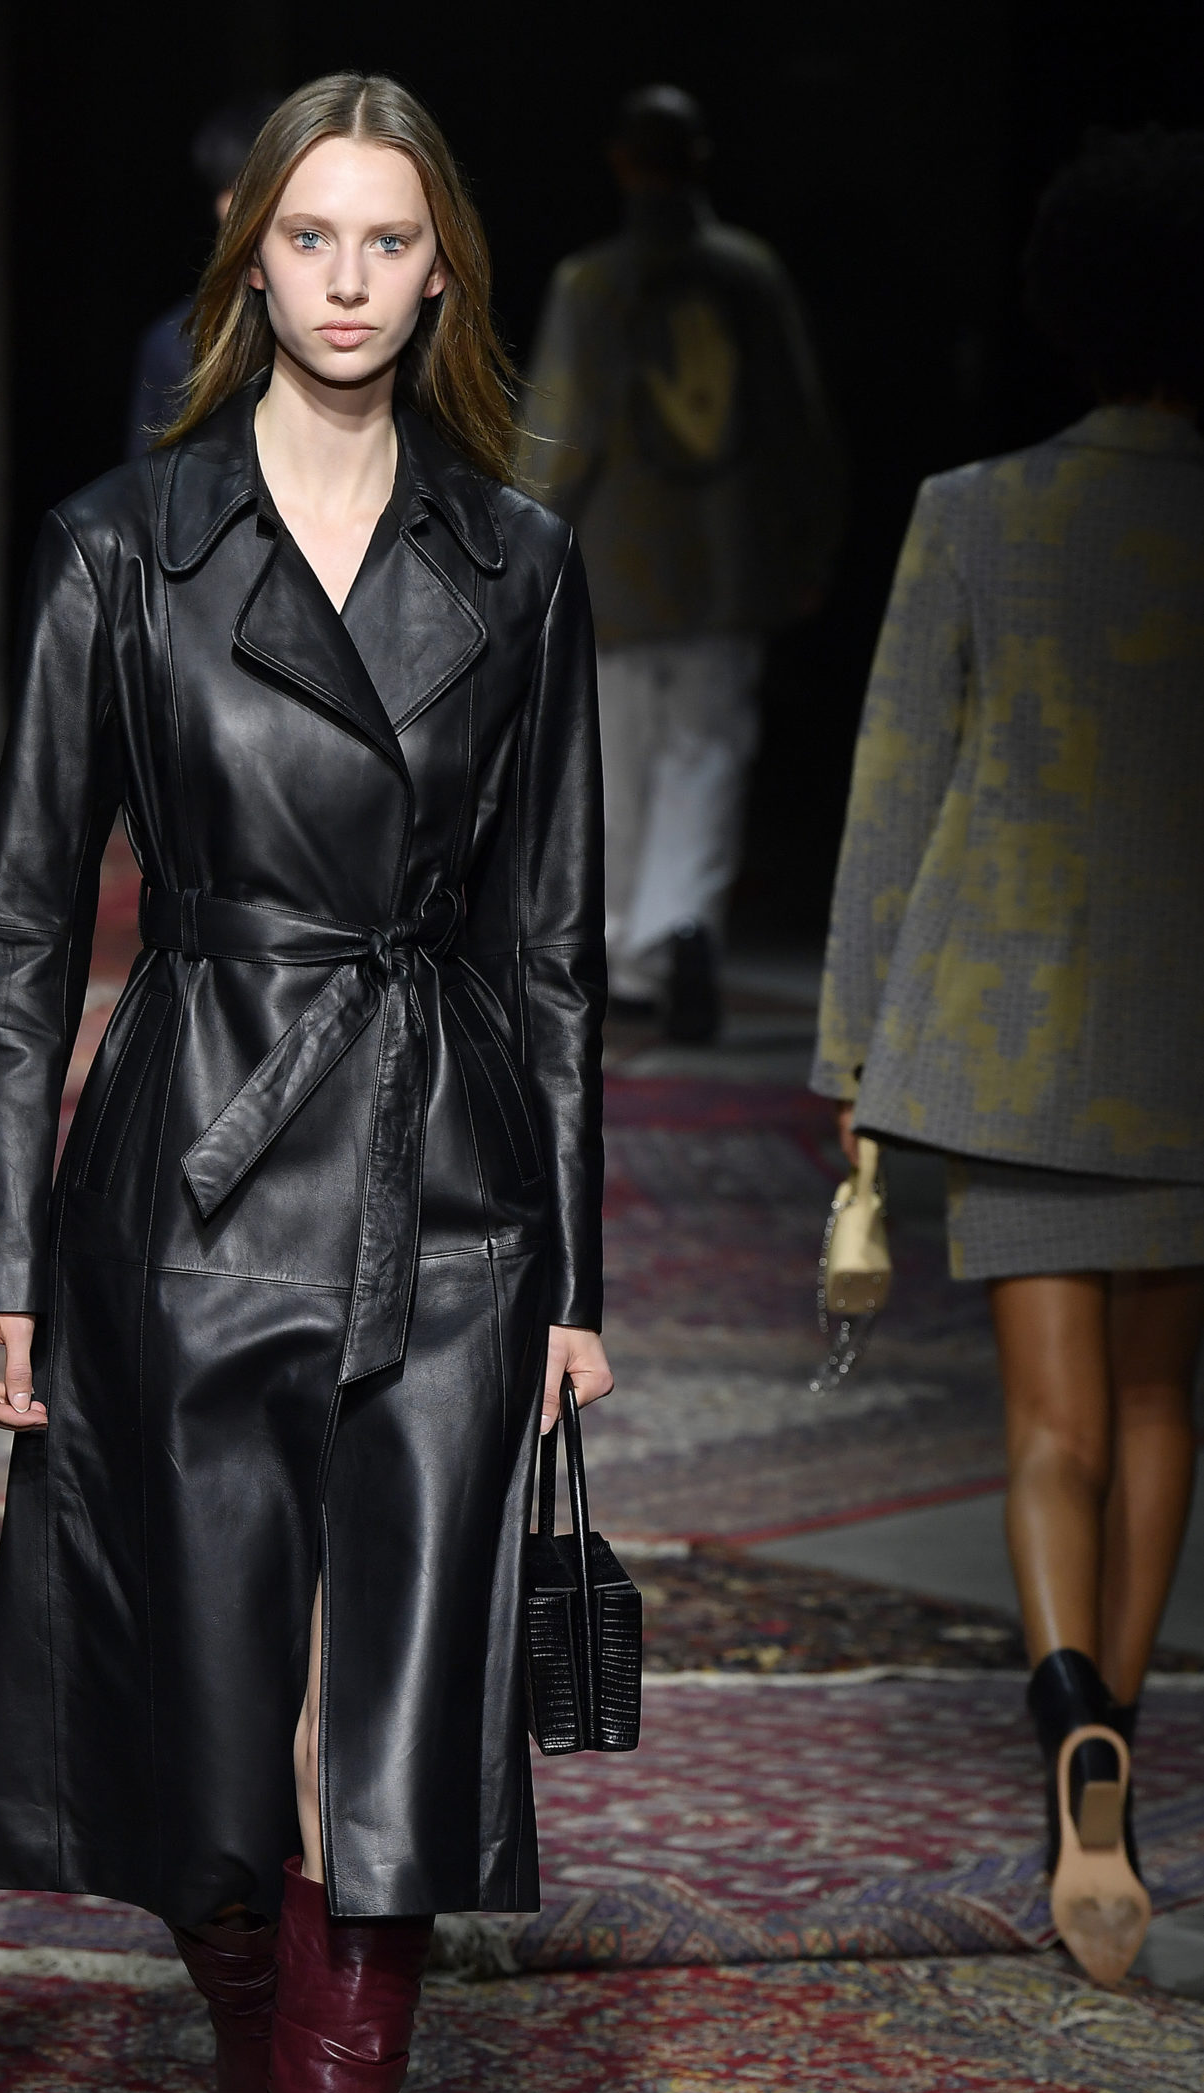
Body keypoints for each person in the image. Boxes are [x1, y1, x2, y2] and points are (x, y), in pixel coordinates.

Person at [0, 72, 610, 2093]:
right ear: (251, 262)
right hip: (187, 1183)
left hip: (443, 1197)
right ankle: (260, 2063)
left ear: (441, 277)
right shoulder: (120, 544)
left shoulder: (518, 561)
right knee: (211, 1751)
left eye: (386, 241)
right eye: (307, 237)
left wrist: (572, 1270)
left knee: (379, 1755)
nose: (345, 279)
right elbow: (26, 922)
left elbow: (547, 946)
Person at [811, 127, 1204, 1990]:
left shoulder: (974, 511)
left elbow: (899, 788)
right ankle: (1115, 1715)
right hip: (1188, 1034)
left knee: (1049, 1429)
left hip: (1017, 1028)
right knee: (1160, 1409)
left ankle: (1072, 1746)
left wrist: (854, 1049)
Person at [523, 85, 842, 1042]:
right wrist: (808, 542)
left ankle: (625, 954)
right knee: (706, 758)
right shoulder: (750, 275)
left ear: (621, 161)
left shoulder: (592, 283)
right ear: (699, 157)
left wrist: (519, 540)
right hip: (728, 562)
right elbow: (797, 424)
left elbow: (561, 436)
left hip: (619, 565)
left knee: (616, 759)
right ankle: (683, 927)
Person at [124, 92, 282, 458]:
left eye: (260, 186)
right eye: (231, 187)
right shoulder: (174, 342)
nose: (244, 204)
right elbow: (148, 479)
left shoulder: (349, 314)